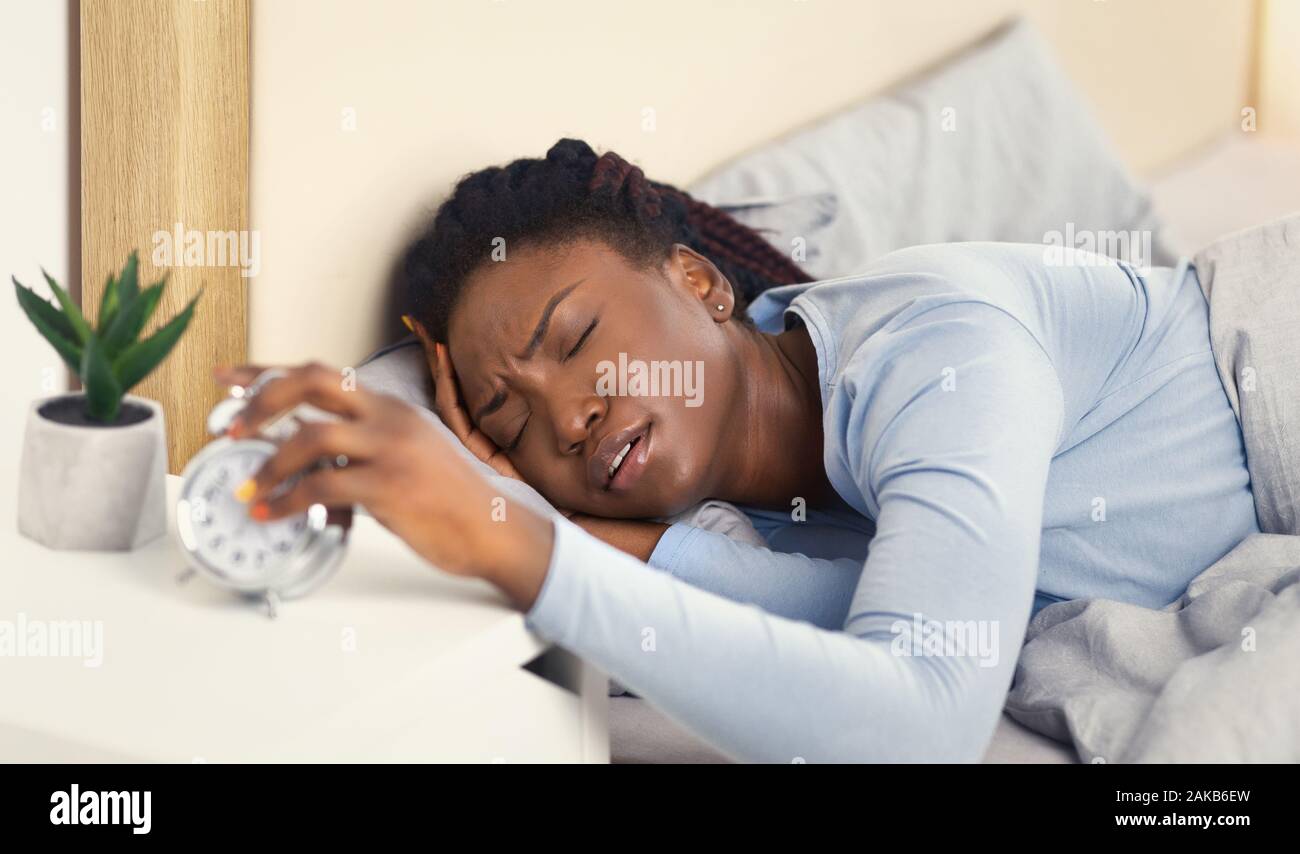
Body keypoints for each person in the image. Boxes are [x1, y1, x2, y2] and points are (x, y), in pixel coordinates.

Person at [217, 139, 1259, 761]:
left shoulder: (937, 351)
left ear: (701, 282)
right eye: (508, 423)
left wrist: (519, 549)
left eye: (576, 339)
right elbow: (871, 625)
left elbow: (921, 720)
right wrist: (577, 530)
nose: (568, 416)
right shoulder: (753, 516)